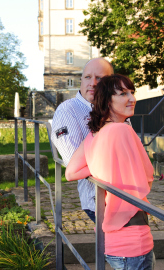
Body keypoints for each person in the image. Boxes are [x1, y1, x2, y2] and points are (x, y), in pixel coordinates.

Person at [65, 74, 155, 270]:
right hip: (134, 240)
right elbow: (148, 175)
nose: (132, 98)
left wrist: (103, 162)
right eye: (123, 93)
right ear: (107, 100)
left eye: (132, 92)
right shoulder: (123, 130)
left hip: (111, 242)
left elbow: (71, 173)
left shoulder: (95, 133)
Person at [51, 58, 114, 223]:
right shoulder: (68, 110)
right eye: (87, 77)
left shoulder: (115, 107)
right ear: (81, 80)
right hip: (98, 200)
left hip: (128, 196)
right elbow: (74, 163)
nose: (93, 83)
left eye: (99, 78)